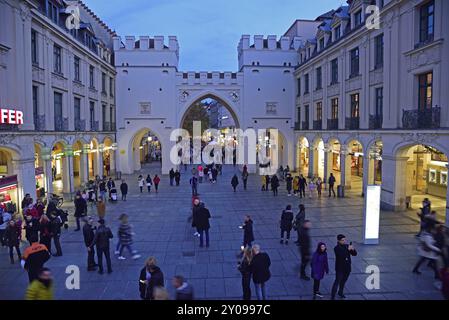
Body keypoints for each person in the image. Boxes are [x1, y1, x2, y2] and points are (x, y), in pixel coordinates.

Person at [331, 234, 357, 300]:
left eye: (345, 240)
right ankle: (333, 296)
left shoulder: (347, 246)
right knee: (337, 281)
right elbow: (341, 255)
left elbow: (354, 254)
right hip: (340, 268)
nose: (344, 241)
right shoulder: (336, 248)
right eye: (342, 240)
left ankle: (340, 292)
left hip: (347, 268)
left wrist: (353, 249)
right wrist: (348, 250)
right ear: (338, 241)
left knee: (343, 281)